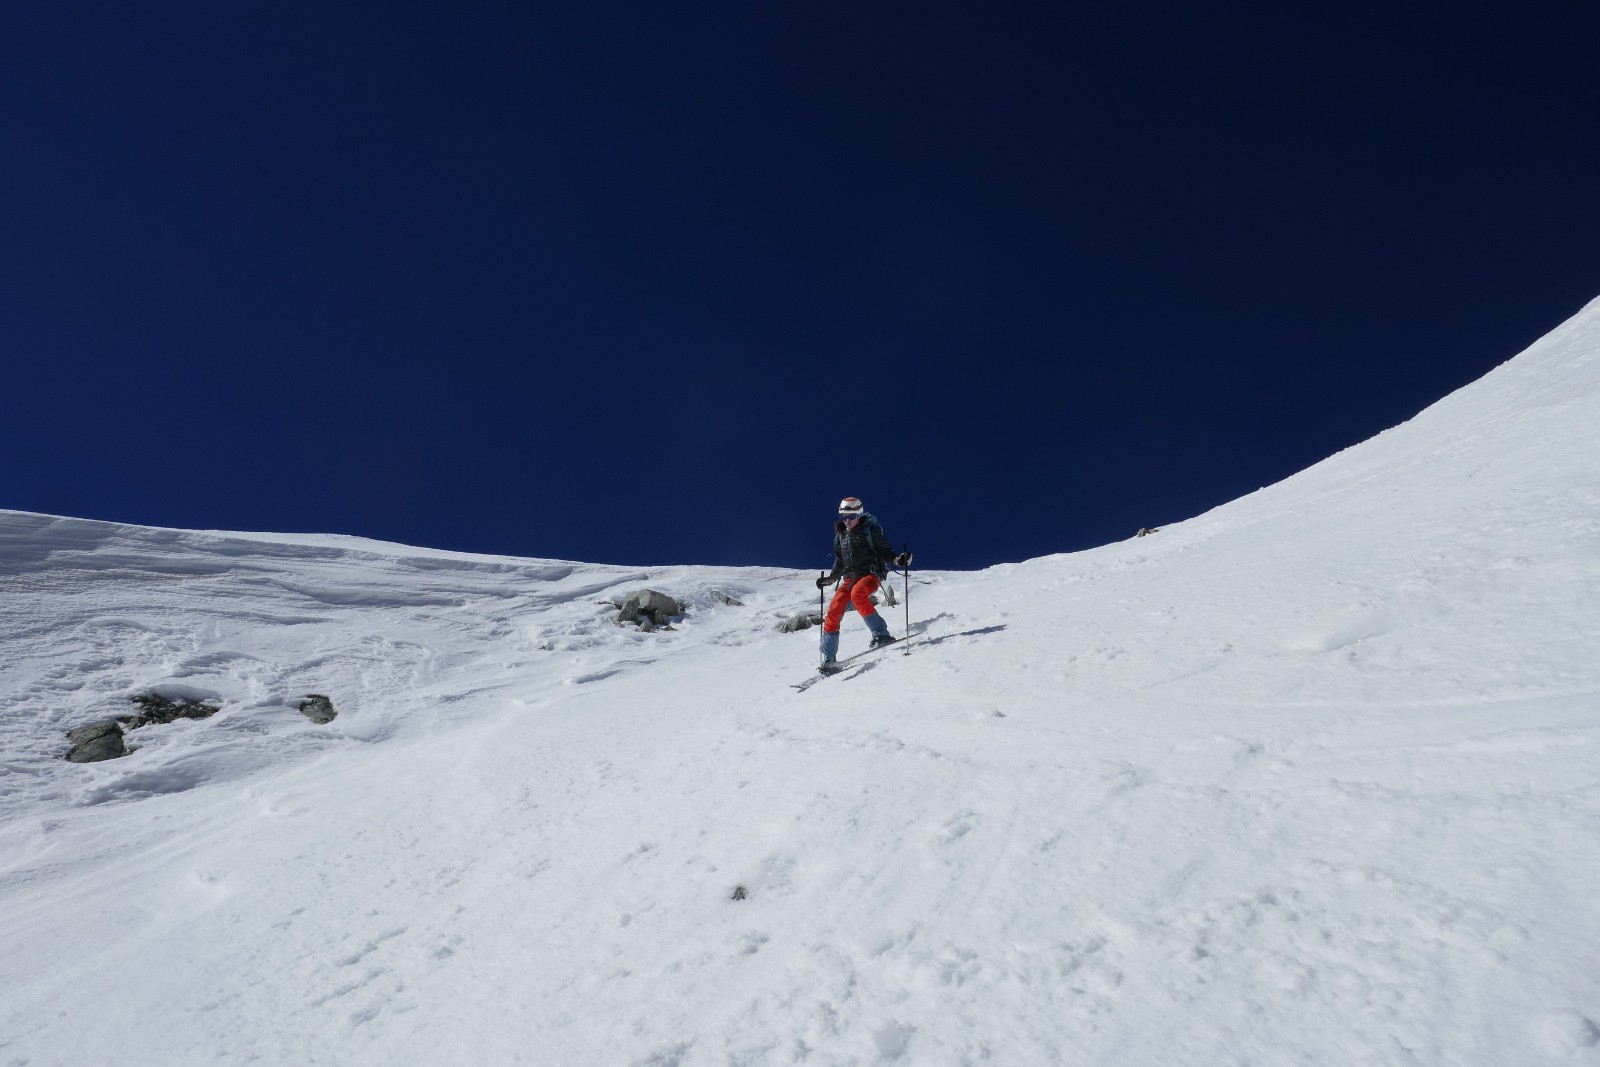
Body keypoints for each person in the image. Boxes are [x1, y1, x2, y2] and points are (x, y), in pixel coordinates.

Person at [815, 497, 912, 672]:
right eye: (844, 516)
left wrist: (898, 560)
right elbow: (840, 562)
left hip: (870, 574)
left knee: (858, 594)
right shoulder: (841, 535)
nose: (847, 520)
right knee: (833, 610)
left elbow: (885, 551)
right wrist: (830, 579)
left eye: (851, 516)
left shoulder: (869, 530)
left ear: (859, 514)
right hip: (849, 578)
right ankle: (829, 657)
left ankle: (881, 634)